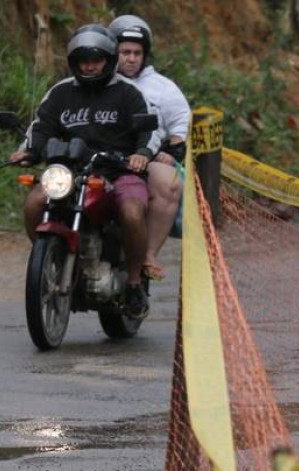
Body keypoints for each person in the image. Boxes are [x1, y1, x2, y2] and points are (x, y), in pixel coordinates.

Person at [9, 23, 156, 319]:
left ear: (108, 60)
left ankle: (134, 282)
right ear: (73, 63)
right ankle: (48, 262)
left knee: (130, 212)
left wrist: (142, 154)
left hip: (119, 171)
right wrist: (28, 151)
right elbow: (41, 128)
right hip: (69, 171)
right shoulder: (60, 93)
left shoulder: (128, 93)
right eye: (83, 61)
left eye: (96, 60)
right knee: (35, 202)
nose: (89, 67)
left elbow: (149, 130)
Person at [109, 14, 192, 282]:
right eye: (124, 52)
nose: (131, 58)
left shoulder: (163, 88)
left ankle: (149, 254)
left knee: (168, 183)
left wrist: (173, 150)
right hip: (101, 156)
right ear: (112, 52)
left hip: (147, 157)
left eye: (137, 53)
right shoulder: (96, 82)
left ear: (145, 55)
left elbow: (181, 122)